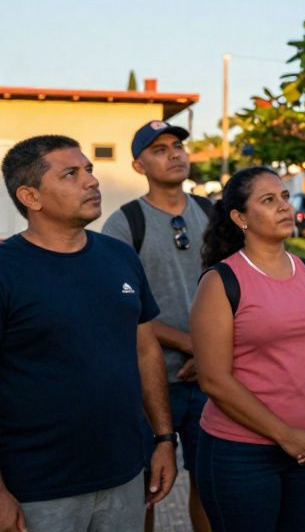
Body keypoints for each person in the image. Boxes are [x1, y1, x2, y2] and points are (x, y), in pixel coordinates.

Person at [0, 134, 176, 532]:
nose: (91, 181)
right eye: (71, 174)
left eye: (89, 169)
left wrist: (163, 440)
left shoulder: (120, 257)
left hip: (125, 476)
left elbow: (146, 352)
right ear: (31, 197)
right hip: (36, 490)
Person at [190, 166, 305, 531]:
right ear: (239, 217)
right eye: (268, 200)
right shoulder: (221, 281)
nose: (283, 206)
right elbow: (214, 380)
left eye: (284, 197)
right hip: (240, 454)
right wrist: (283, 435)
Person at [102, 120, 213, 532]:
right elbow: (121, 305)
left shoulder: (212, 213)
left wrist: (210, 356)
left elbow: (241, 290)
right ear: (138, 165)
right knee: (147, 487)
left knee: (210, 483)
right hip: (151, 382)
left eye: (178, 146)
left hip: (210, 380)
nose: (174, 154)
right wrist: (192, 345)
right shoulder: (124, 222)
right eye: (160, 149)